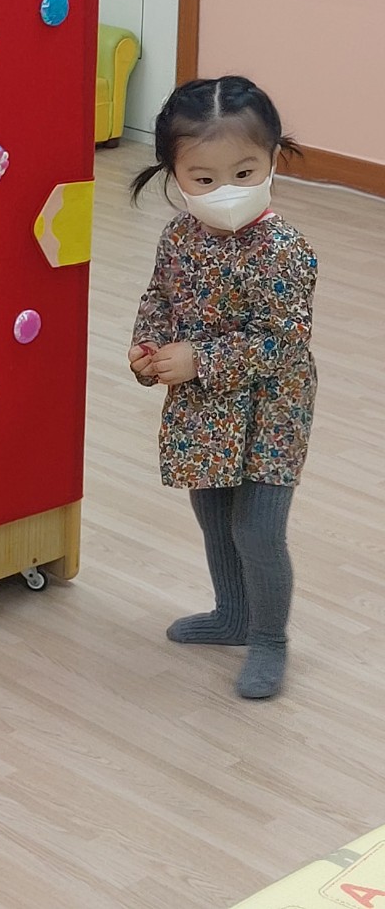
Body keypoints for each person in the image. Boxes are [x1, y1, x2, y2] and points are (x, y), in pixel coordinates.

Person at [128, 76, 318, 700]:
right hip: (204, 408)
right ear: (175, 174)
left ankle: (269, 638)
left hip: (271, 409)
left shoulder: (284, 249)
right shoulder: (179, 237)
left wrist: (200, 360)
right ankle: (232, 615)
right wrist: (148, 347)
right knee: (213, 515)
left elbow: (283, 342)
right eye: (204, 178)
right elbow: (159, 298)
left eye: (244, 172)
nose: (226, 191)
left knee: (257, 529)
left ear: (271, 159)